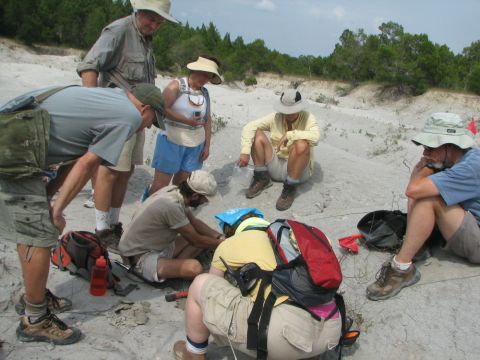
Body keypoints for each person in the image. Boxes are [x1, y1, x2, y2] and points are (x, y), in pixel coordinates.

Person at [0, 83, 163, 345]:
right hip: (16, 147)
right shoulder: (129, 116)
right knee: (39, 233)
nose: (145, 128)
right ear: (144, 109)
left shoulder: (108, 98)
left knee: (35, 226)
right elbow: (88, 164)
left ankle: (34, 293)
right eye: (151, 122)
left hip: (17, 135)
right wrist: (56, 211)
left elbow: (73, 157)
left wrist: (50, 199)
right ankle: (35, 319)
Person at [173, 208, 342, 360]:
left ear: (234, 231)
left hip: (285, 338)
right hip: (332, 330)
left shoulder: (229, 244)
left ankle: (193, 354)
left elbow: (212, 286)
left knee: (200, 285)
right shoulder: (292, 239)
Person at [76, 0, 178, 245]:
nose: (154, 25)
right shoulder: (119, 30)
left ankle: (113, 224)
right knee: (109, 171)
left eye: (159, 22)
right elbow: (89, 66)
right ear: (138, 11)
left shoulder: (146, 39)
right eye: (150, 19)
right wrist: (94, 106)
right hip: (114, 115)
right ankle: (102, 230)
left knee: (126, 171)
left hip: (138, 120)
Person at [367, 112, 480, 301]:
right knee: (424, 192)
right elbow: (414, 191)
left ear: (450, 146)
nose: (425, 153)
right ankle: (416, 247)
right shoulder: (460, 159)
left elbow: (412, 190)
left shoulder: (470, 166)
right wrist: (428, 167)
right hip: (471, 225)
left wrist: (424, 168)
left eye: (430, 147)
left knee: (428, 198)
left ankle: (401, 268)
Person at [119, 170, 225, 283]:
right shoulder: (172, 206)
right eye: (204, 199)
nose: (205, 202)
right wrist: (222, 246)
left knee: (204, 238)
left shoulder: (174, 191)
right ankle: (171, 270)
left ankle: (173, 267)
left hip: (151, 245)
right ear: (195, 196)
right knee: (195, 268)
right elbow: (196, 241)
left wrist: (219, 237)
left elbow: (194, 222)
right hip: (137, 258)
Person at [147, 55, 222, 196]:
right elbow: (162, 108)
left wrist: (207, 145)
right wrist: (187, 121)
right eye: (204, 74)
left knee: (182, 187)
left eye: (209, 76)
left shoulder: (204, 93)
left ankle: (173, 213)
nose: (205, 79)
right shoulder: (176, 85)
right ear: (195, 70)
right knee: (160, 185)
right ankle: (147, 214)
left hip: (195, 144)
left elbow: (207, 119)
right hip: (171, 140)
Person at [237, 89, 320, 211]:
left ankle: (290, 188)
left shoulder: (308, 118)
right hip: (275, 165)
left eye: (292, 110)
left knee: (302, 144)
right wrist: (245, 152)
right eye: (286, 110)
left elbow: (316, 137)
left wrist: (291, 135)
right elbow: (249, 126)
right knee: (256, 134)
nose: (288, 114)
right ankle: (262, 178)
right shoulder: (275, 117)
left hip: (298, 171)